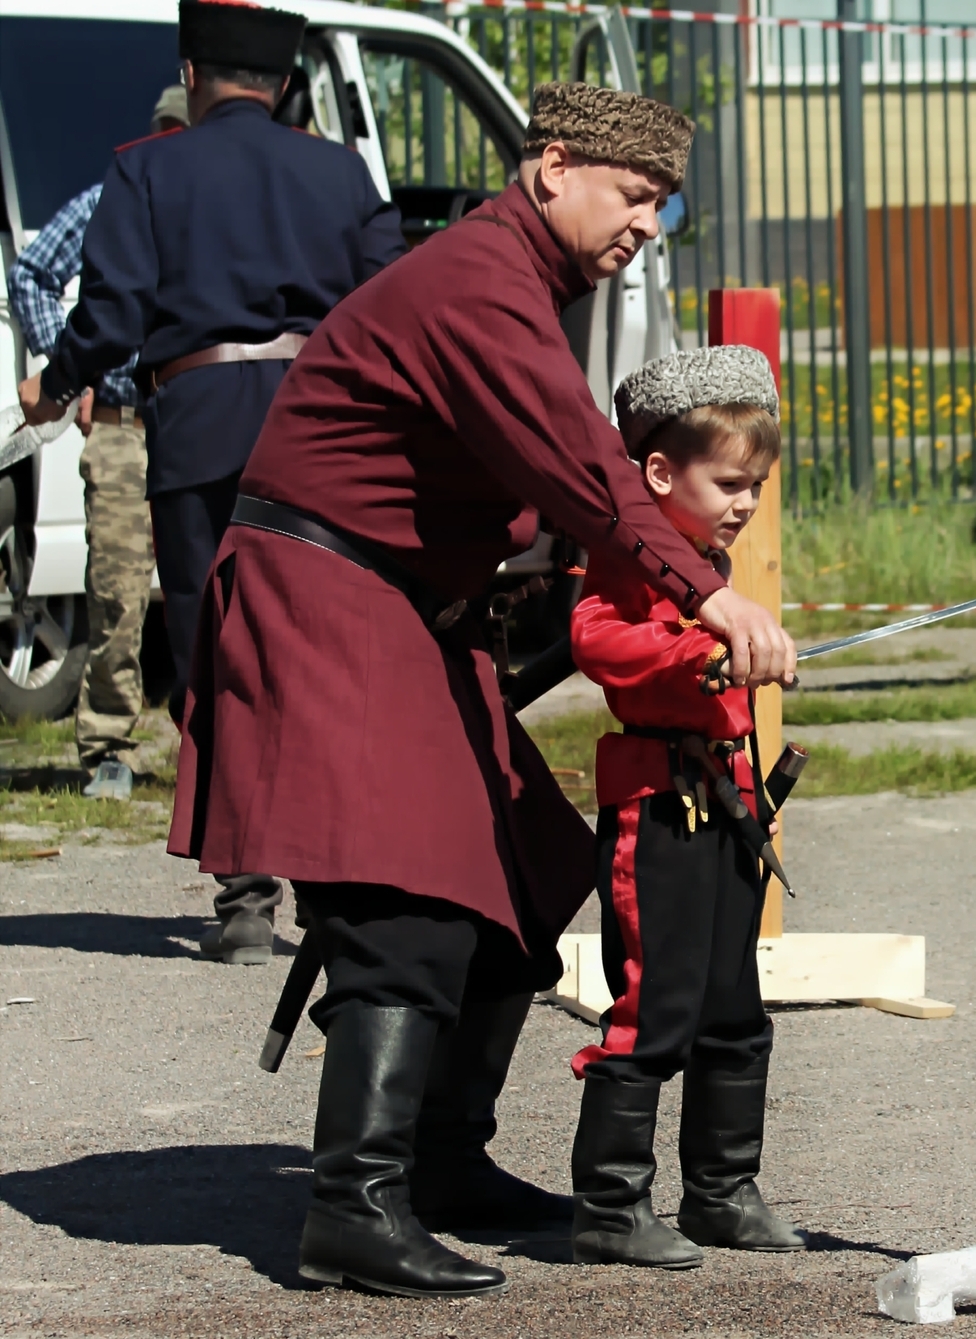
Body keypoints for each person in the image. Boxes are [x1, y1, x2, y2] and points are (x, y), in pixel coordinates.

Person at [159, 81, 796, 1299]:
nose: (648, 224)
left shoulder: (518, 282)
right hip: (327, 594)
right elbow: (583, 466)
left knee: (531, 870)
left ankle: (443, 1160)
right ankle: (354, 1204)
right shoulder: (478, 282)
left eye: (662, 204)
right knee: (409, 893)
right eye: (634, 194)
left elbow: (542, 477)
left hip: (407, 609)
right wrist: (706, 596)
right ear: (553, 167)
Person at [17, 0, 407, 960]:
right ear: (284, 85)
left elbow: (112, 316)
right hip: (321, 435)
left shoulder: (147, 167)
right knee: (320, 653)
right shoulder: (341, 172)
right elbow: (391, 302)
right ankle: (333, 892)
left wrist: (54, 383)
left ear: (192, 77)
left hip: (198, 436)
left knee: (218, 655)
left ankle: (245, 899)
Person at [567, 346, 807, 1269]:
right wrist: (689, 652)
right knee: (654, 1005)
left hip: (729, 805)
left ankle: (722, 1191)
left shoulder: (712, 561)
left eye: (757, 486)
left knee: (734, 1007)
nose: (747, 502)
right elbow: (596, 637)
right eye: (730, 483)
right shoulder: (630, 558)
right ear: (661, 474)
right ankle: (609, 1203)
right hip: (657, 812)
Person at [6, 85, 187, 802]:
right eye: (166, 132)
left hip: (196, 420)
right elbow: (32, 274)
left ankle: (212, 744)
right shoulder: (112, 198)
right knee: (116, 592)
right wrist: (69, 369)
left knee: (210, 587)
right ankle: (108, 746)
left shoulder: (218, 207)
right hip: (120, 423)